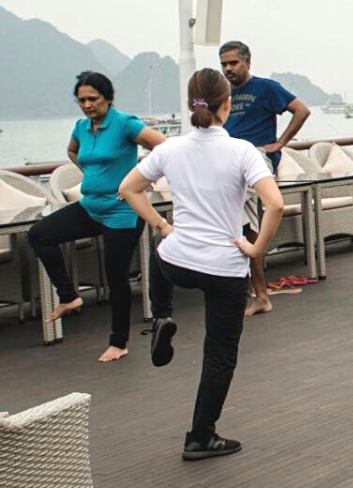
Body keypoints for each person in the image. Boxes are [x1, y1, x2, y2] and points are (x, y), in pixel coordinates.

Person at [119, 68, 284, 461]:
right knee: (219, 355)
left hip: (178, 262)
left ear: (190, 104)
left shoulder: (170, 149)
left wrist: (162, 225)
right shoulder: (243, 151)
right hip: (224, 268)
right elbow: (275, 204)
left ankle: (161, 314)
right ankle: (200, 437)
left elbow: (128, 188)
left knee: (160, 245)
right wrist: (256, 249)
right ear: (227, 104)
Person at [27, 71, 167, 362]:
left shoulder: (125, 124)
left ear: (108, 98)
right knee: (39, 235)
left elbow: (164, 146)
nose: (87, 105)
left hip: (122, 211)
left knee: (116, 278)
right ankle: (69, 296)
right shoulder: (81, 127)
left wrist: (143, 176)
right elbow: (72, 151)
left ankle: (119, 342)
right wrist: (93, 173)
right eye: (82, 100)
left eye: (93, 99)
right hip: (90, 207)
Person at [218, 40, 311, 316]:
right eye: (223, 64)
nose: (228, 69)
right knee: (244, 227)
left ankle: (259, 294)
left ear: (247, 61)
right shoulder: (221, 91)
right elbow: (197, 106)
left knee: (240, 219)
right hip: (227, 161)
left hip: (257, 159)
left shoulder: (266, 88)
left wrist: (280, 143)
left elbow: (302, 110)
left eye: (233, 63)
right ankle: (256, 293)